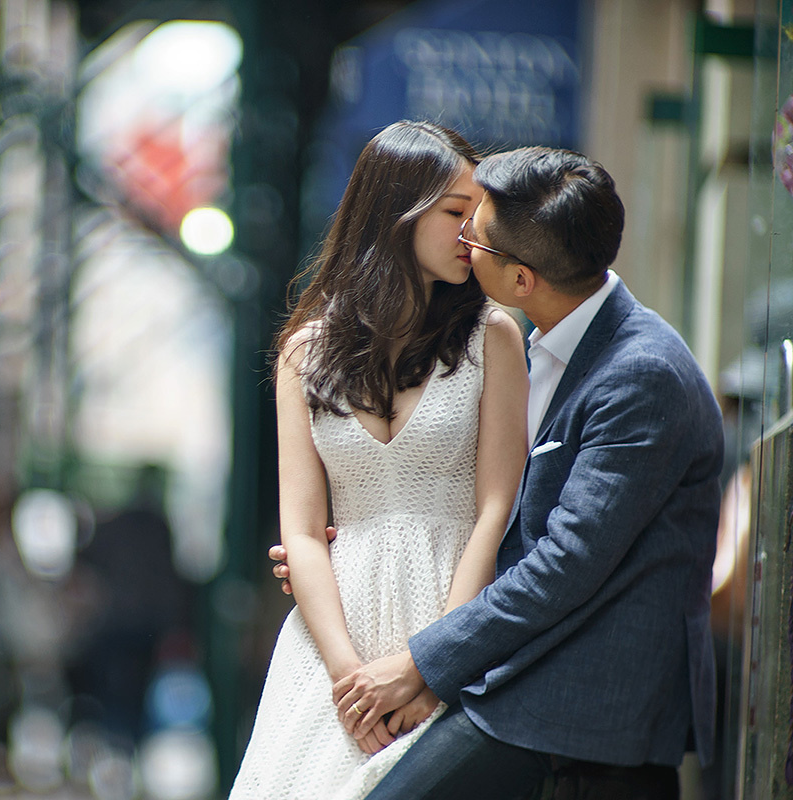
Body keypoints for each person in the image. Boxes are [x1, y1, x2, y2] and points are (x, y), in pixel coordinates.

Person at [272, 146, 723, 799]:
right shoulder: (561, 346)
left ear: (521, 280)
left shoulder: (638, 373)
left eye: (474, 233)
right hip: (521, 676)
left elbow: (563, 561)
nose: (463, 242)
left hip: (577, 703)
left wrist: (422, 667)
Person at [229, 121, 529, 800]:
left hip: (451, 612)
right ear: (398, 211)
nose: (471, 233)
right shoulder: (304, 352)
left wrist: (436, 667)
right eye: (456, 212)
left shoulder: (494, 339)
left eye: (476, 214)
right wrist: (348, 682)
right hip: (333, 632)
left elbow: (494, 510)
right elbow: (301, 533)